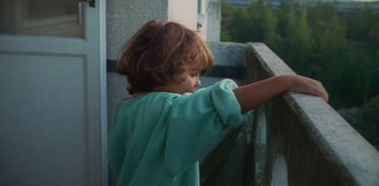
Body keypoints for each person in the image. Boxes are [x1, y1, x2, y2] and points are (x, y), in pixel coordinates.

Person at [108, 20, 328, 186]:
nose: (198, 82)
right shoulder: (169, 110)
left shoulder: (127, 108)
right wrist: (284, 82)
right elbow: (222, 103)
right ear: (163, 68)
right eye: (193, 74)